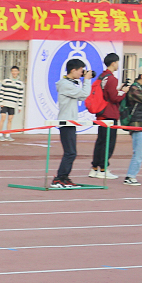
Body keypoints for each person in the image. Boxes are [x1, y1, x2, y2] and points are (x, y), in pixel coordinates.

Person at [52, 59, 93, 189]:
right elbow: (85, 94)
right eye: (81, 70)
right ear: (73, 70)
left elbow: (81, 96)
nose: (82, 73)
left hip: (70, 122)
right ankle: (60, 178)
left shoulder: (69, 84)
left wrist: (84, 80)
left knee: (71, 152)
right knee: (70, 153)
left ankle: (64, 177)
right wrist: (87, 80)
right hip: (66, 122)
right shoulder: (65, 85)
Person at [89, 53, 127, 179]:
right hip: (109, 114)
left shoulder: (102, 76)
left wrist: (118, 90)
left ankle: (95, 168)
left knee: (100, 141)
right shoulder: (111, 79)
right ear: (113, 63)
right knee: (108, 143)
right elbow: (114, 98)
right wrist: (123, 92)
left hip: (101, 114)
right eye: (117, 62)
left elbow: (108, 94)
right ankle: (103, 168)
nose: (118, 65)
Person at [0, 66, 24, 141]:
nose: (14, 72)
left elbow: (20, 96)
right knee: (3, 118)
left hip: (12, 104)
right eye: (13, 71)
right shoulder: (6, 81)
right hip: (5, 103)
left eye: (16, 71)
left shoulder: (20, 83)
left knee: (10, 119)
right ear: (11, 72)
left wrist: (20, 106)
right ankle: (0, 134)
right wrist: (0, 102)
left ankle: (8, 134)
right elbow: (1, 92)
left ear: (18, 72)